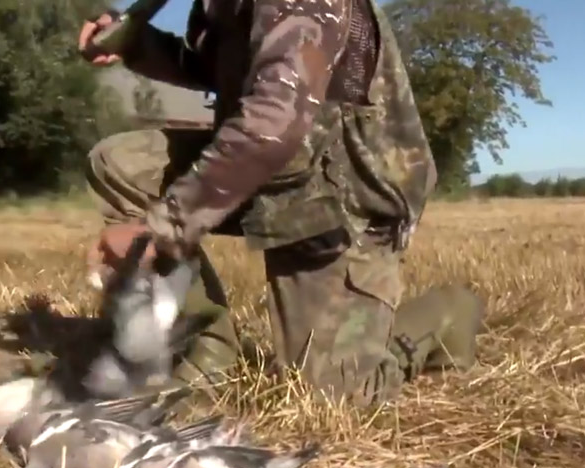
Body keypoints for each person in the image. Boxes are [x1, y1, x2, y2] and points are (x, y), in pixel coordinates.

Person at [77, 0, 484, 407]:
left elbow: (274, 120)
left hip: (344, 195)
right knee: (123, 164)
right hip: (277, 165)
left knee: (331, 397)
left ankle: (448, 312)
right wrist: (135, 43)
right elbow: (212, 69)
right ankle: (207, 350)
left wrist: (164, 228)